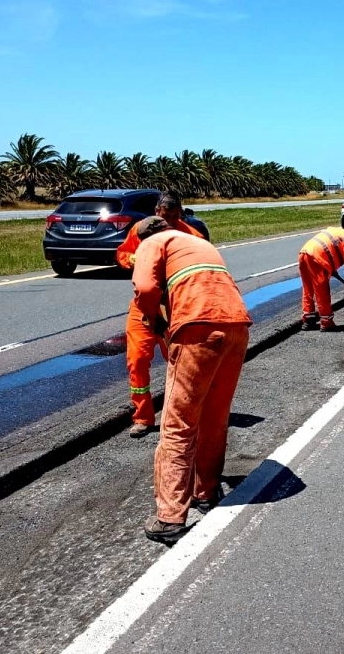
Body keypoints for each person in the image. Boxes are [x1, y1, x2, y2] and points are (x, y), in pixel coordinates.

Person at [131, 216, 252, 541]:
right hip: (237, 326)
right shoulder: (199, 243)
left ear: (143, 236)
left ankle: (169, 518)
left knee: (178, 424)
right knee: (215, 417)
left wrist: (155, 320)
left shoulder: (152, 243)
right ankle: (206, 492)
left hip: (198, 328)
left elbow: (144, 288)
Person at [117, 193, 206, 438]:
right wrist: (133, 258)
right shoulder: (143, 229)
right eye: (166, 217)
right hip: (144, 305)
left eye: (175, 217)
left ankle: (184, 414)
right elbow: (122, 255)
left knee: (180, 362)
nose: (170, 222)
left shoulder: (190, 235)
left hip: (175, 307)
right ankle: (143, 417)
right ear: (157, 211)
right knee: (137, 360)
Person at [298, 225, 344, 331]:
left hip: (304, 253)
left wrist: (332, 269)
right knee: (322, 291)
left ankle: (308, 320)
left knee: (308, 288)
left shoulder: (338, 231)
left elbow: (332, 247)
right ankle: (326, 323)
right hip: (318, 258)